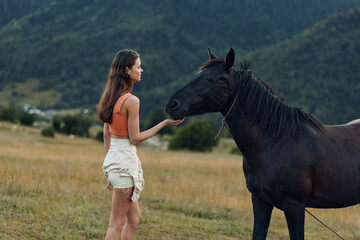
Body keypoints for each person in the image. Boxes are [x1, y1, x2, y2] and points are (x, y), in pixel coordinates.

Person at [98, 49, 184, 240]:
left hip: (116, 160)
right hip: (124, 165)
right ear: (128, 70)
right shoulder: (131, 101)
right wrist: (163, 123)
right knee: (116, 224)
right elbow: (135, 138)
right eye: (138, 66)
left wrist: (112, 160)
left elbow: (106, 135)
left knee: (135, 219)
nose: (141, 70)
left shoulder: (110, 97)